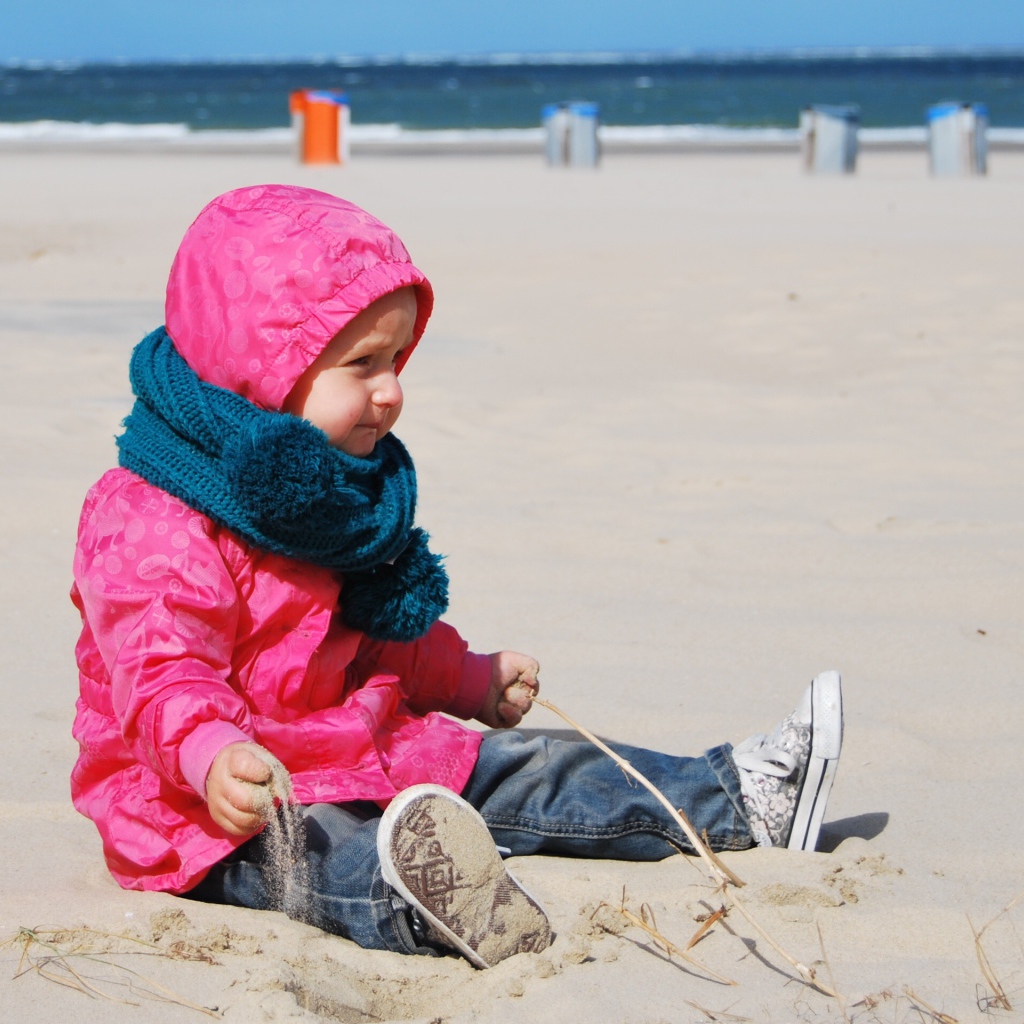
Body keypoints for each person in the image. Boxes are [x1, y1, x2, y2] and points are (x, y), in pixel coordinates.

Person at [70, 185, 844, 969]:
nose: (391, 391)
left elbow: (377, 635)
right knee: (324, 849)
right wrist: (209, 754)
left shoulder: (331, 494)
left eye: (397, 361)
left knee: (529, 766)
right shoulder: (150, 517)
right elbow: (160, 670)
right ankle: (427, 900)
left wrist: (468, 680)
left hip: (359, 745)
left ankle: (738, 795)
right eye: (361, 365)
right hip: (213, 800)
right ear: (259, 372)